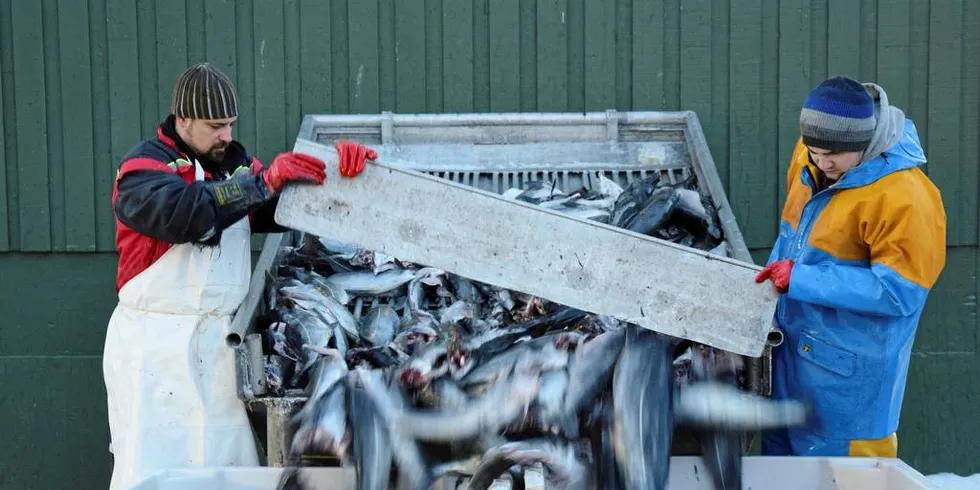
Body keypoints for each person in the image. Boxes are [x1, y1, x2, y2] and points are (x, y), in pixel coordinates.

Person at [102, 62, 378, 489]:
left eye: (230, 124)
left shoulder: (234, 165)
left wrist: (339, 172)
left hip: (217, 349)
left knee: (225, 471)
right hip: (152, 352)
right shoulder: (142, 170)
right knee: (151, 472)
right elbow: (186, 213)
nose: (226, 136)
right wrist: (262, 182)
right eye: (215, 125)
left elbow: (281, 204)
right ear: (183, 119)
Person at [755, 76, 946, 458]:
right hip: (791, 362)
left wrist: (801, 277)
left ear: (864, 143)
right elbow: (791, 234)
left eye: (833, 155)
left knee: (847, 480)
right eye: (814, 150)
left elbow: (899, 293)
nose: (822, 163)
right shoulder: (812, 156)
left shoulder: (906, 198)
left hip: (850, 388)